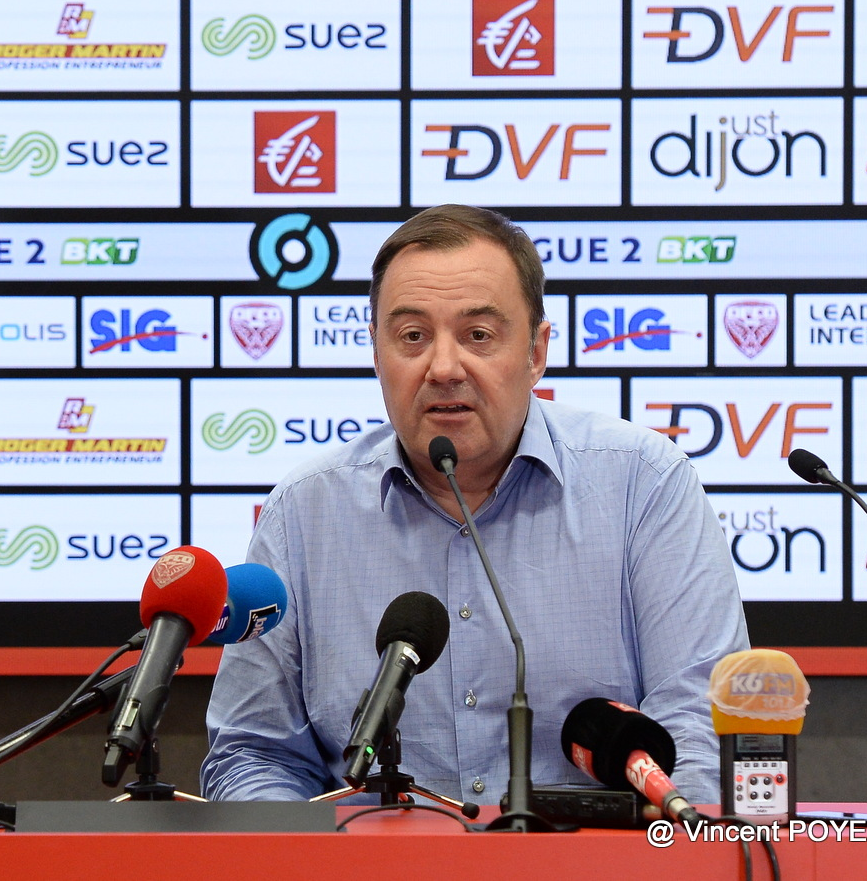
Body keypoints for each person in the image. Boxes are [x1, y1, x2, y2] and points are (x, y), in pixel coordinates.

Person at [201, 204, 748, 805]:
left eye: (478, 336)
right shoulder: (304, 514)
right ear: (377, 353)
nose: (442, 368)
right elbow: (253, 753)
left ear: (536, 352)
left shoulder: (644, 485)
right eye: (412, 337)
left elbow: (699, 732)